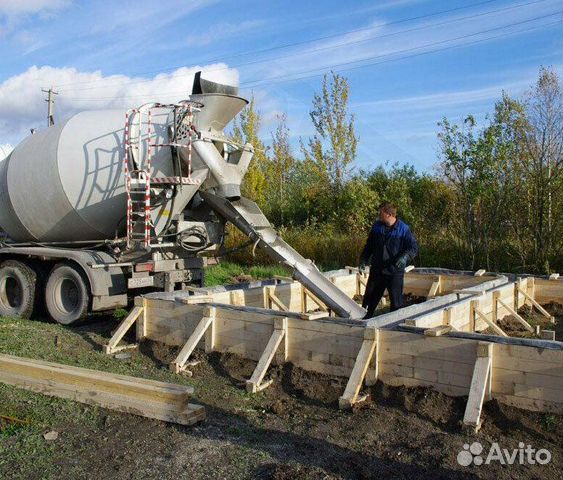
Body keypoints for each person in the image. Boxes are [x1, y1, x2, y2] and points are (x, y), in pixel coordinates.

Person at [359, 201, 418, 318]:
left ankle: (395, 324)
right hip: (377, 270)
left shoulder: (403, 229)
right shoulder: (376, 227)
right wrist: (363, 259)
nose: (378, 215)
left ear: (388, 214)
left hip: (394, 271)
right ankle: (365, 318)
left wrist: (405, 257)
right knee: (370, 298)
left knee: (396, 303)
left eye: (380, 212)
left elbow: (413, 247)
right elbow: (369, 245)